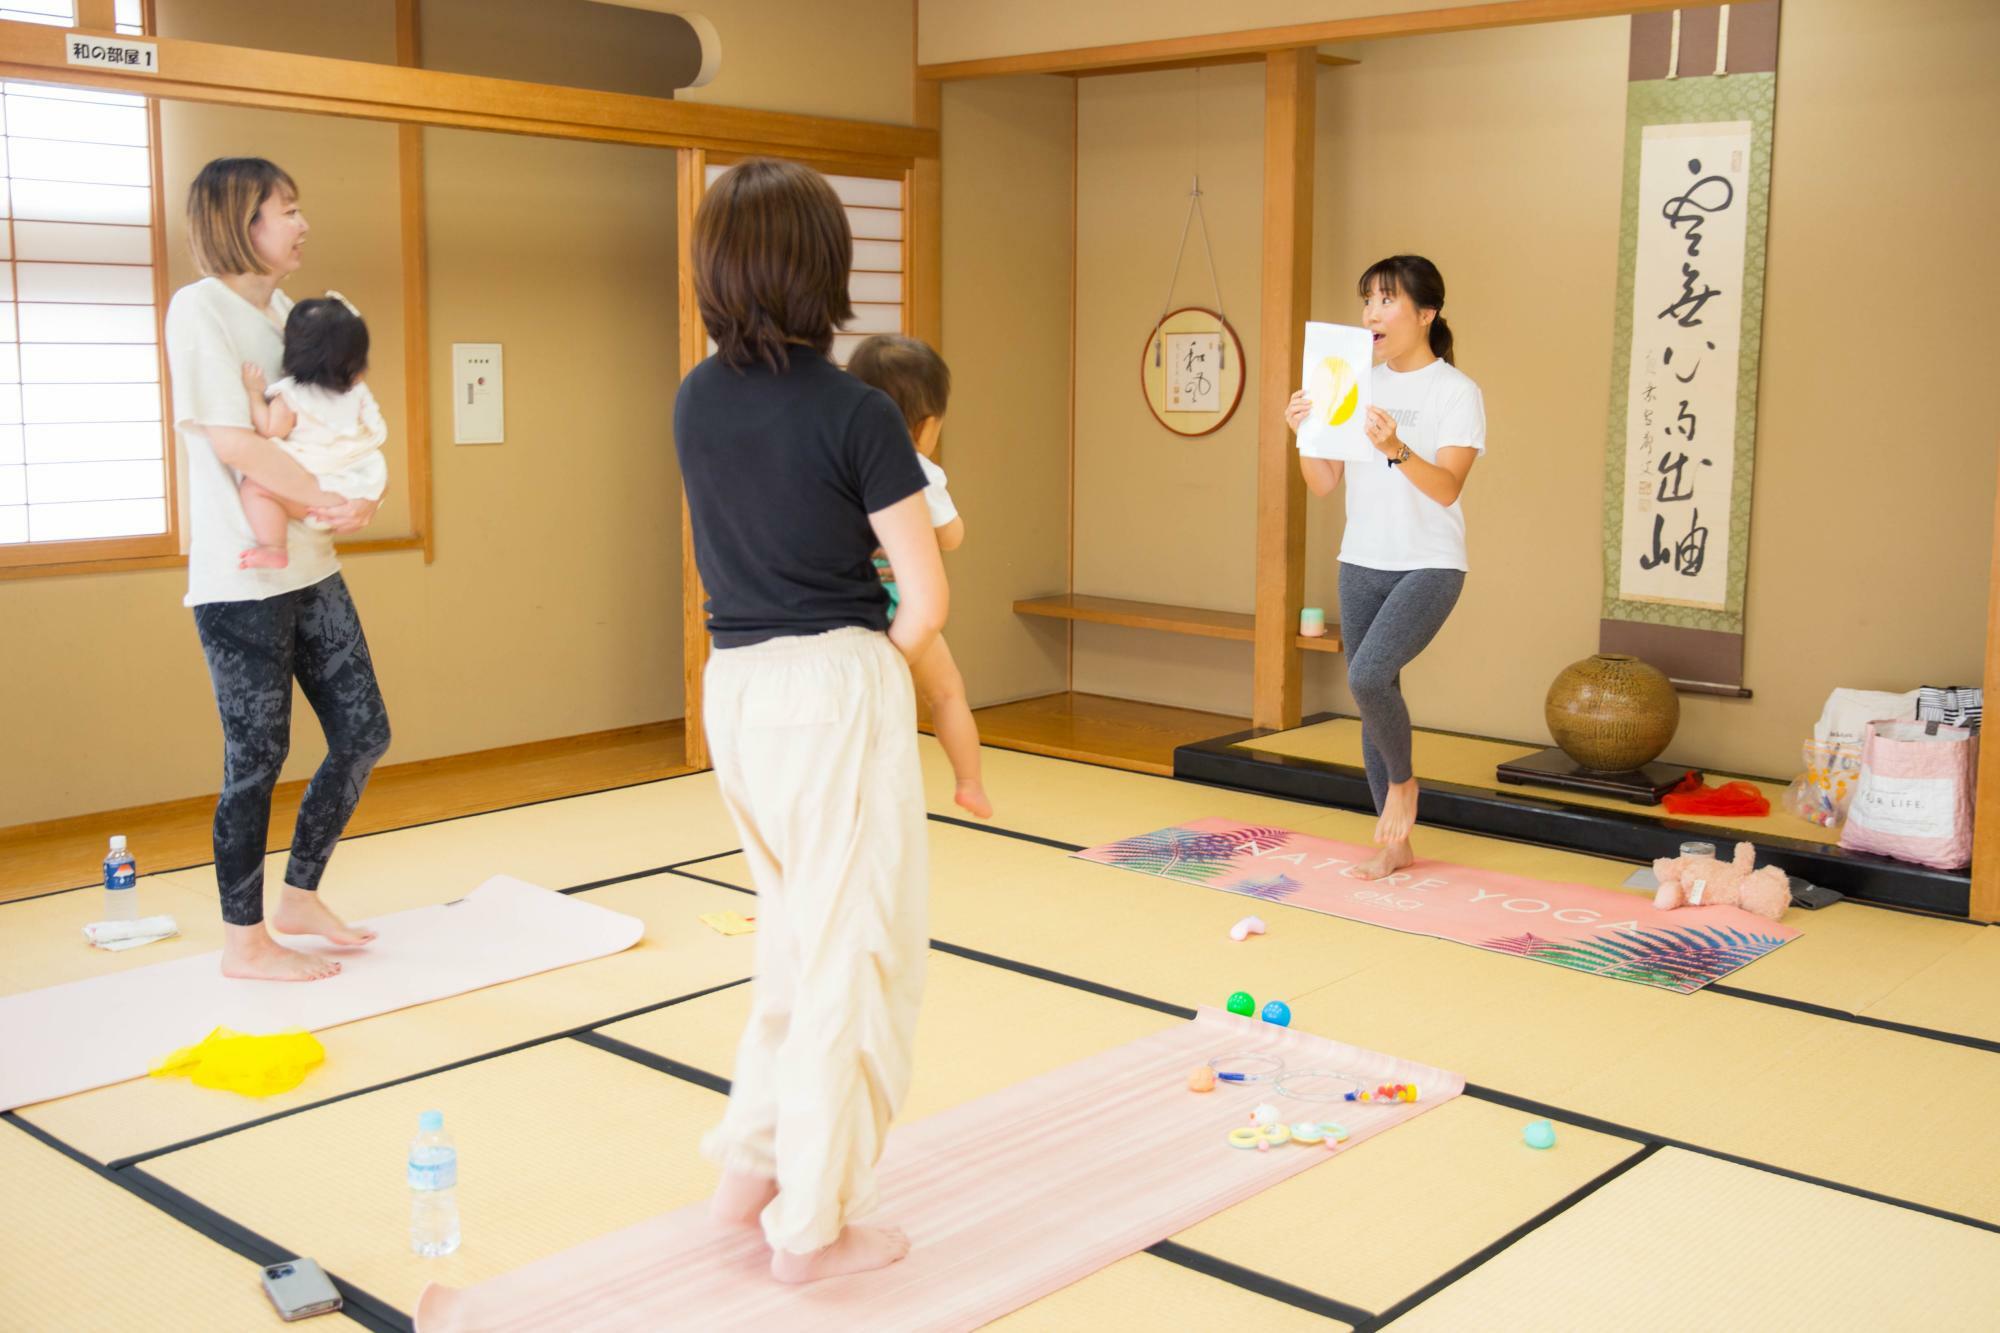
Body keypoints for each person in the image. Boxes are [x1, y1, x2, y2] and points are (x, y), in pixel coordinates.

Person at [674, 158, 945, 1284]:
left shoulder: (694, 394)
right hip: (833, 684)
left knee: (793, 942)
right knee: (854, 959)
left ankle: (751, 1172)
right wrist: (867, 676)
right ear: (822, 265)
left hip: (732, 684)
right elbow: (926, 601)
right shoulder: (858, 412)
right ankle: (814, 1228)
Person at [164, 157, 390, 981]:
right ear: (239, 222)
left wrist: (355, 496)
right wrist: (328, 497)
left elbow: (322, 418)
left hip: (311, 563)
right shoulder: (201, 311)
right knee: (255, 759)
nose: (301, 224)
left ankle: (299, 895)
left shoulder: (291, 311)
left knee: (365, 734)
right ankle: (243, 941)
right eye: (285, 210)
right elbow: (236, 439)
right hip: (240, 578)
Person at [1286, 255, 1486, 880]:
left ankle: (1403, 786)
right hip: (1360, 560)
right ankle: (1394, 845)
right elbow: (1322, 484)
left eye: (1386, 301)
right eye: (1366, 300)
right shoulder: (1355, 381)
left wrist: (1396, 448)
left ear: (1425, 314)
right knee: (1379, 695)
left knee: (1368, 678)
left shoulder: (1457, 392)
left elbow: (1448, 488)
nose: (1371, 314)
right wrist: (1301, 433)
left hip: (1429, 564)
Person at [847, 333, 992, 820]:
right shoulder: (919, 471)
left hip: (853, 605)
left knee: (864, 710)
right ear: (928, 424)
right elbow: (950, 537)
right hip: (907, 606)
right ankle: (969, 782)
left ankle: (855, 794)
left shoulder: (842, 459)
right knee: (946, 692)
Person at [236, 294, 389, 571]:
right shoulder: (357, 394)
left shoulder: (292, 397)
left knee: (254, 488)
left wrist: (254, 394)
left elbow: (269, 428)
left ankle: (273, 547)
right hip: (357, 488)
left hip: (313, 499)